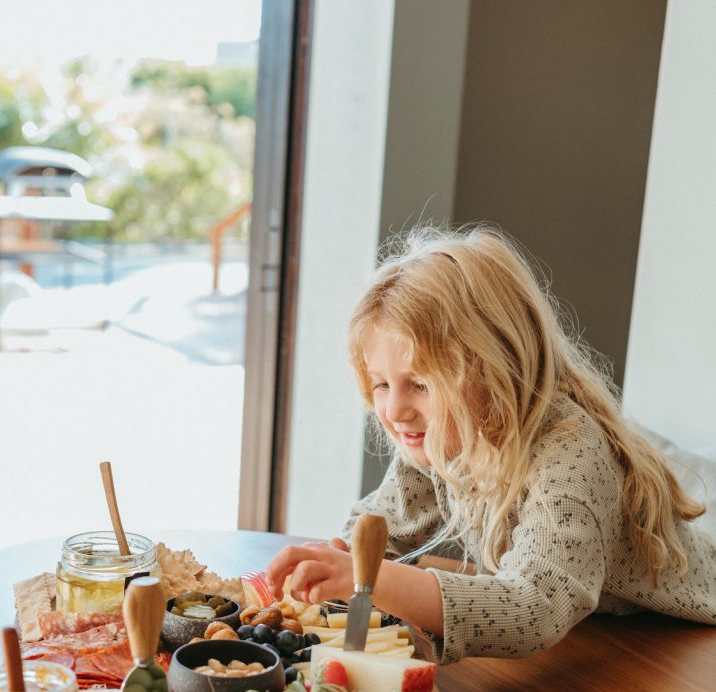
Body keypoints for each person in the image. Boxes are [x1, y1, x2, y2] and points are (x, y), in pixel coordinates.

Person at [265, 225, 716, 662]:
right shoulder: (441, 433)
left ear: (495, 368)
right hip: (602, 623)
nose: (395, 410)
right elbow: (390, 529)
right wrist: (344, 561)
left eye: (421, 384)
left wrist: (371, 580)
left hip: (684, 639)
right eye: (382, 383)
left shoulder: (572, 451)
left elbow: (535, 607)